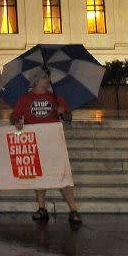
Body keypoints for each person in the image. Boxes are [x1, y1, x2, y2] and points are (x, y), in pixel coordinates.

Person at [11, 70, 81, 225]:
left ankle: (73, 209)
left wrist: (64, 113)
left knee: (62, 175)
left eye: (48, 77)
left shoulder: (55, 97)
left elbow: (68, 117)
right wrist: (17, 121)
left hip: (54, 141)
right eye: (44, 77)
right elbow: (14, 115)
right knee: (39, 176)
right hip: (35, 141)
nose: (48, 80)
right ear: (36, 81)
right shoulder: (25, 98)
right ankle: (42, 208)